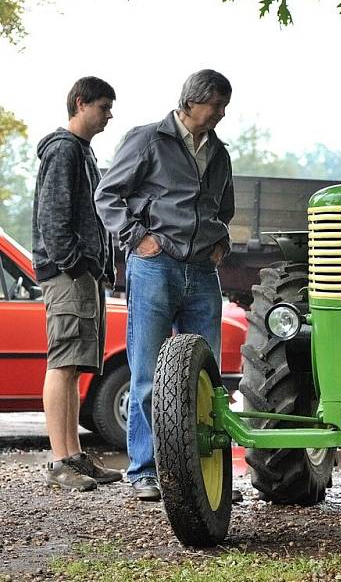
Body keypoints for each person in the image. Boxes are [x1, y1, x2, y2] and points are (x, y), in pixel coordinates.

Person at [95, 70, 235, 501]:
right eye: (217, 105)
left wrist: (220, 240)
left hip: (202, 272)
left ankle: (200, 471)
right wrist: (139, 239)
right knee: (148, 374)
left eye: (225, 106)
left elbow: (223, 207)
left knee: (204, 378)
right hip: (155, 268)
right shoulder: (148, 139)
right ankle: (143, 471)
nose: (222, 114)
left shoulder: (219, 152)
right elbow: (108, 195)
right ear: (193, 102)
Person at [33, 76, 123, 491]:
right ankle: (58, 464)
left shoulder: (81, 152)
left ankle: (72, 457)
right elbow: (53, 218)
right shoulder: (63, 150)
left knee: (74, 368)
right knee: (63, 362)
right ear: (80, 103)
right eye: (103, 107)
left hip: (83, 274)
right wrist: (73, 264)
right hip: (67, 273)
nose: (108, 115)